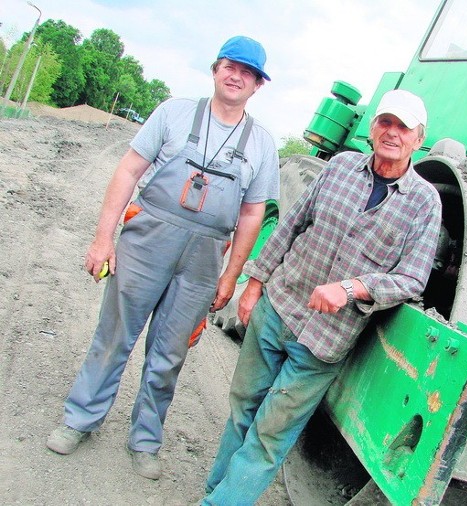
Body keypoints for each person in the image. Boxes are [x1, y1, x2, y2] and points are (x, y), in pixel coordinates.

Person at [46, 35, 280, 481]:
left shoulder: (262, 145)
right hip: (146, 240)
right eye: (231, 66)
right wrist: (103, 239)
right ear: (215, 69)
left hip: (204, 259)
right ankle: (80, 419)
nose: (237, 76)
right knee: (114, 336)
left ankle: (146, 439)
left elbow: (252, 214)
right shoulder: (173, 113)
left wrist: (230, 276)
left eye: (248, 73)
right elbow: (129, 170)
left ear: (257, 86)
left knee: (169, 355)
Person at [200, 89, 442, 505]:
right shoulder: (341, 167)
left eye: (403, 127)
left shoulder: (424, 203)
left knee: (270, 434)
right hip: (278, 309)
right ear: (372, 127)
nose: (392, 132)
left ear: (418, 139)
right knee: (243, 407)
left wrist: (352, 289)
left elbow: (412, 279)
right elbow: (291, 225)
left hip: (326, 341)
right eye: (385, 122)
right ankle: (216, 490)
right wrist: (254, 284)